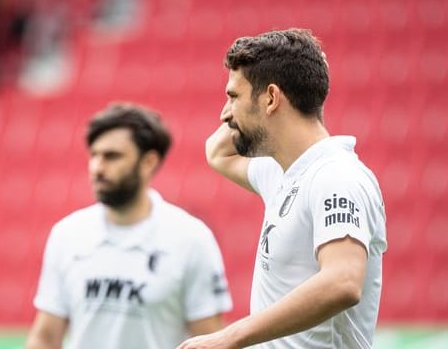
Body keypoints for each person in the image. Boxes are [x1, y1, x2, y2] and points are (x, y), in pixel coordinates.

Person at [178, 29, 387, 348]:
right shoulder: (283, 172)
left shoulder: (335, 177)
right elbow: (217, 151)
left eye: (233, 97)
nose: (225, 114)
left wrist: (229, 338)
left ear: (272, 98)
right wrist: (303, 78)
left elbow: (342, 282)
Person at [26, 103, 232, 349]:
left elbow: (209, 340)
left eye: (112, 156)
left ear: (148, 162)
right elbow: (45, 337)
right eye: (94, 155)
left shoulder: (192, 239)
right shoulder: (67, 234)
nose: (97, 168)